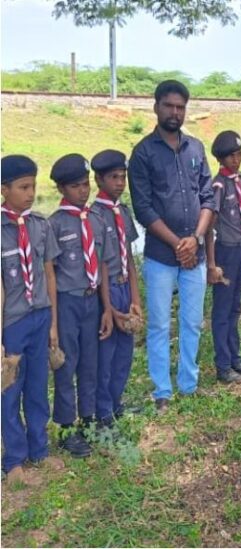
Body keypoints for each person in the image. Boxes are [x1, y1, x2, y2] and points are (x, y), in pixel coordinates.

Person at [128, 80, 214, 414]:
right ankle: (162, 390)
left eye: (180, 107)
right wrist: (179, 243)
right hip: (162, 257)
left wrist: (195, 238)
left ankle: (189, 386)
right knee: (160, 324)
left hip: (195, 255)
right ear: (156, 107)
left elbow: (207, 196)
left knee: (192, 322)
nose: (175, 113)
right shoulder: (143, 154)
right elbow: (144, 209)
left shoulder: (196, 148)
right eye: (169, 106)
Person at [1, 155, 62, 483]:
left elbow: (48, 274)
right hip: (11, 323)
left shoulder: (40, 225)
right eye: (23, 187)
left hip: (39, 318)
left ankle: (40, 449)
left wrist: (52, 321)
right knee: (10, 389)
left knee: (38, 386)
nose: (30, 193)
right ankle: (14, 461)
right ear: (3, 189)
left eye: (34, 186)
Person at [48, 153, 114, 457]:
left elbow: (101, 266)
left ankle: (88, 418)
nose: (83, 191)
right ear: (61, 189)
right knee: (67, 363)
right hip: (67, 302)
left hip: (91, 302)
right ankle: (66, 426)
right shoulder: (54, 225)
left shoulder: (97, 220)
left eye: (85, 184)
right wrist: (54, 324)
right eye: (75, 186)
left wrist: (107, 309)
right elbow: (50, 274)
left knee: (90, 361)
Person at [90, 150, 142, 429]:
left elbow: (130, 258)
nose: (120, 183)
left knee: (125, 352)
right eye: (114, 178)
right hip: (105, 292)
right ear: (98, 179)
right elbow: (98, 267)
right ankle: (103, 413)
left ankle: (116, 402)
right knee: (106, 356)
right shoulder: (93, 217)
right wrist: (109, 308)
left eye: (123, 177)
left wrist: (135, 298)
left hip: (123, 288)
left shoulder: (123, 211)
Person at [206, 130, 241, 384]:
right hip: (224, 249)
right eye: (231, 156)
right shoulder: (217, 185)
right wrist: (212, 264)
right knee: (222, 310)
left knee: (236, 307)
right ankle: (223, 365)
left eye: (239, 154)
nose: (236, 160)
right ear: (221, 159)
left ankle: (235, 358)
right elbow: (210, 226)